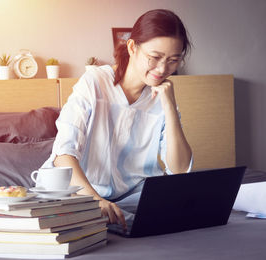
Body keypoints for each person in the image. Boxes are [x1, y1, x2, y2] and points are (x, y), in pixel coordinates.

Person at [42, 9, 193, 232]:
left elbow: (180, 171)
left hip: (132, 200)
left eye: (173, 60)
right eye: (155, 57)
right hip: (79, 194)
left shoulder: (163, 97)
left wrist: (169, 105)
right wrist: (96, 201)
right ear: (132, 48)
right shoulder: (94, 82)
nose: (162, 69)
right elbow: (64, 154)